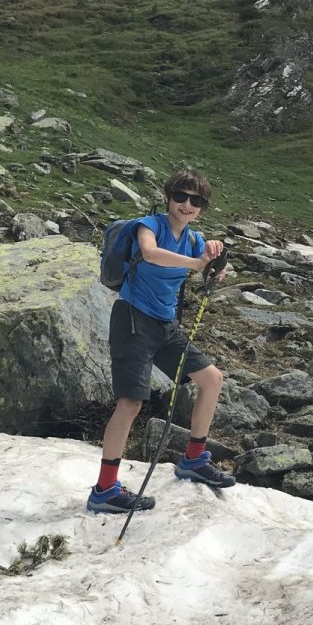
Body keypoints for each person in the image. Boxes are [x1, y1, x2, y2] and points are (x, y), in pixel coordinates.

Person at [88, 169, 236, 514]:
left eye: (195, 201)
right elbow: (150, 254)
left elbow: (212, 268)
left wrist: (215, 263)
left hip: (165, 326)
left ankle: (194, 458)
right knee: (130, 403)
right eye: (181, 197)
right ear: (168, 197)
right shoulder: (149, 225)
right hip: (132, 321)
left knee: (212, 379)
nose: (187, 204)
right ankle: (105, 489)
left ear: (202, 207)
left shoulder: (195, 240)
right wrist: (196, 263)